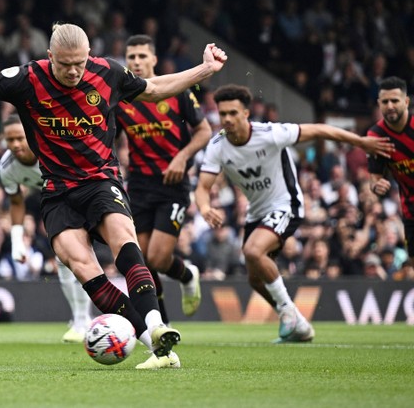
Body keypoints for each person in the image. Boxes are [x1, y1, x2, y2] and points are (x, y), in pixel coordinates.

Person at [0, 23, 228, 369]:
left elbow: (155, 88)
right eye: (65, 64)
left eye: (79, 63)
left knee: (125, 241)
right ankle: (155, 347)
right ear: (50, 56)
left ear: (89, 55)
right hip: (57, 191)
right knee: (83, 268)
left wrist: (205, 69)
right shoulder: (26, 78)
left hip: (100, 180)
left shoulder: (108, 72)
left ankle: (157, 326)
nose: (73, 71)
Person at [194, 84, 393, 343]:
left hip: (285, 204)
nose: (227, 119)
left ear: (246, 113)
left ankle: (289, 313)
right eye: (223, 114)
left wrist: (361, 142)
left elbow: (320, 130)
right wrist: (206, 207)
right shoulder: (217, 145)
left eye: (233, 113)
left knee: (253, 251)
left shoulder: (271, 133)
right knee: (255, 279)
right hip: (257, 211)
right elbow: (202, 187)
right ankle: (296, 322)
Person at [116, 34, 209, 323]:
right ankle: (162, 322)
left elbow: (204, 131)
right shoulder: (120, 99)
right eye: (132, 57)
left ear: (154, 59)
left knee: (156, 257)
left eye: (143, 56)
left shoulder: (175, 90)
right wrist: (121, 155)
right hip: (140, 185)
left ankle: (186, 274)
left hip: (172, 185)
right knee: (142, 261)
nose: (137, 62)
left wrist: (182, 157)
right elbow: (112, 140)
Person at [0, 114, 93, 343]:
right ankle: (81, 319)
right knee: (63, 262)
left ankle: (86, 320)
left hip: (85, 196)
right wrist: (17, 240)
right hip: (57, 206)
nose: (16, 145)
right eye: (10, 140)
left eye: (20, 138)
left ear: (29, 133)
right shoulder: (7, 167)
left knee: (80, 259)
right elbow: (17, 202)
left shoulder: (49, 149)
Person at [367, 76, 414, 267]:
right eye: (385, 101)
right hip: (411, 210)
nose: (390, 106)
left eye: (395, 100)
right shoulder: (376, 136)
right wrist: (376, 185)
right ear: (379, 104)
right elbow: (374, 178)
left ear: (406, 101)